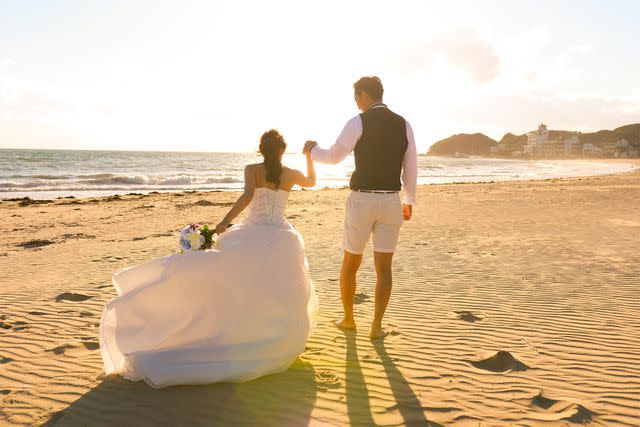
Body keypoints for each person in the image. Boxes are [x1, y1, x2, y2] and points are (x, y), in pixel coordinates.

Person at [100, 130, 319, 388]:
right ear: (282, 150)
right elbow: (312, 182)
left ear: (261, 149)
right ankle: (272, 335)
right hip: (281, 238)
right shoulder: (290, 174)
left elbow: (248, 196)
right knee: (275, 290)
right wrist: (308, 156)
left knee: (227, 270)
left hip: (253, 234)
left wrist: (224, 222)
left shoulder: (252, 169)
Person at [304, 76, 417, 339]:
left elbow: (334, 156)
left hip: (362, 200)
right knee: (384, 268)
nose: (357, 104)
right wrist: (408, 200)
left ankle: (349, 319)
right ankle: (376, 326)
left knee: (350, 263)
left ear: (365, 95)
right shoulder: (404, 124)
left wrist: (313, 151)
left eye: (357, 98)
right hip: (391, 200)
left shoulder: (358, 122)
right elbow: (410, 165)